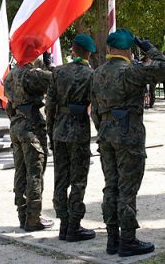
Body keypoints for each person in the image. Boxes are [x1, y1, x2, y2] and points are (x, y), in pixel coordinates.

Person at [91, 29, 165, 257]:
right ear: (129, 49)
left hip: (106, 133)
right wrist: (149, 48)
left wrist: (103, 129)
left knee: (111, 186)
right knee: (127, 188)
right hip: (128, 134)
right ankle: (128, 240)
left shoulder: (97, 73)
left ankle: (112, 239)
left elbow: (94, 109)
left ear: (109, 48)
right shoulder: (132, 70)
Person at [45, 34, 97, 242]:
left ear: (73, 51)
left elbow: (50, 105)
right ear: (89, 52)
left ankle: (63, 224)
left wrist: (50, 131)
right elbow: (96, 107)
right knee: (78, 179)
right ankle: (74, 226)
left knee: (60, 178)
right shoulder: (90, 74)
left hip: (59, 129)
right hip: (79, 131)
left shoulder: (58, 72)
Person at [4, 46, 53, 232]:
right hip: (31, 126)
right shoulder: (33, 75)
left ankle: (22, 215)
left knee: (20, 171)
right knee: (35, 172)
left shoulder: (10, 75)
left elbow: (7, 103)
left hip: (16, 124)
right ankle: (33, 218)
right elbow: (55, 80)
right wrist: (47, 65)